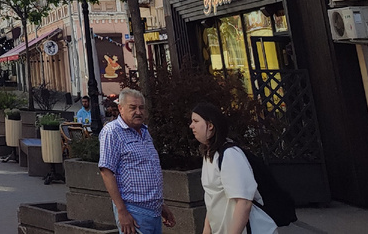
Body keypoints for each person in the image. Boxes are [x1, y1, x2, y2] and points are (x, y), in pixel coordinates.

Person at [190, 102, 277, 234]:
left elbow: (244, 202)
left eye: (196, 121)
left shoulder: (230, 155)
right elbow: (213, 198)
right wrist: (207, 230)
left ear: (211, 125)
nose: (191, 125)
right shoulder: (209, 155)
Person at [99, 88, 176, 234]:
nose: (138, 112)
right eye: (133, 108)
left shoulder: (145, 132)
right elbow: (106, 172)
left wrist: (161, 205)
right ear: (121, 108)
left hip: (154, 211)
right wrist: (122, 211)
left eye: (141, 108)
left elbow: (147, 168)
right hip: (133, 212)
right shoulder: (112, 132)